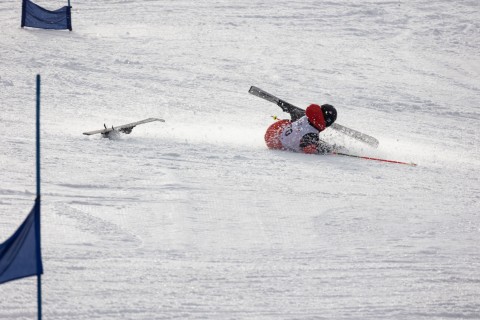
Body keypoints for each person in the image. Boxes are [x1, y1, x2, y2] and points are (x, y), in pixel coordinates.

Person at [264, 103, 338, 154]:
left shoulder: (306, 117)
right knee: (307, 143)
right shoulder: (311, 134)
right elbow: (308, 150)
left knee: (293, 124)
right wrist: (325, 149)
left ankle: (294, 116)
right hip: (273, 142)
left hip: (275, 129)